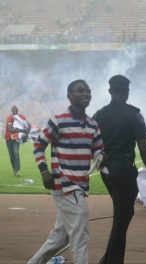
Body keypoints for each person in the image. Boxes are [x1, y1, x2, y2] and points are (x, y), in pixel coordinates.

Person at [28, 80, 103, 263]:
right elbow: (39, 145)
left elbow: (98, 151)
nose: (86, 94)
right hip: (65, 185)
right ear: (69, 96)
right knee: (80, 237)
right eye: (80, 91)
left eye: (88, 91)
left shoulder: (93, 124)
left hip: (80, 187)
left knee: (60, 238)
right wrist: (44, 170)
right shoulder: (59, 120)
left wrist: (101, 157)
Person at [94, 75, 146, 263]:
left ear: (109, 91)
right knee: (122, 218)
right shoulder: (134, 114)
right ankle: (111, 261)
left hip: (106, 171)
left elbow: (89, 140)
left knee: (122, 215)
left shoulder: (99, 114)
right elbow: (145, 150)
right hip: (123, 170)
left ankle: (109, 258)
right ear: (127, 92)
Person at [4, 105, 30, 176]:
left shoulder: (22, 117)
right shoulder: (10, 117)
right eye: (13, 109)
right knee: (11, 155)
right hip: (8, 138)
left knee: (16, 153)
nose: (14, 110)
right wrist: (22, 130)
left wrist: (26, 135)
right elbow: (10, 129)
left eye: (16, 109)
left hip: (16, 138)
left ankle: (18, 170)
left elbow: (29, 125)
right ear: (11, 111)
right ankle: (14, 169)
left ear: (18, 110)